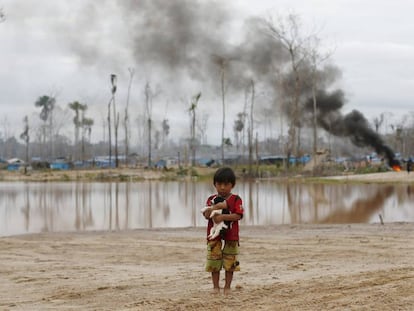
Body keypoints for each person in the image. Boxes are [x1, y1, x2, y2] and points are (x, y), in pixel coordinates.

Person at [202, 167, 244, 294]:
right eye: (219, 184)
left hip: (231, 235)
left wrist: (223, 217)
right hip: (214, 235)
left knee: (230, 261)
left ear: (232, 185)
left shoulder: (236, 199)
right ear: (214, 184)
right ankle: (215, 287)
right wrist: (212, 209)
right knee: (214, 260)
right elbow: (206, 216)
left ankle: (227, 287)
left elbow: (238, 215)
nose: (222, 188)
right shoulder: (212, 199)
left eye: (226, 184)